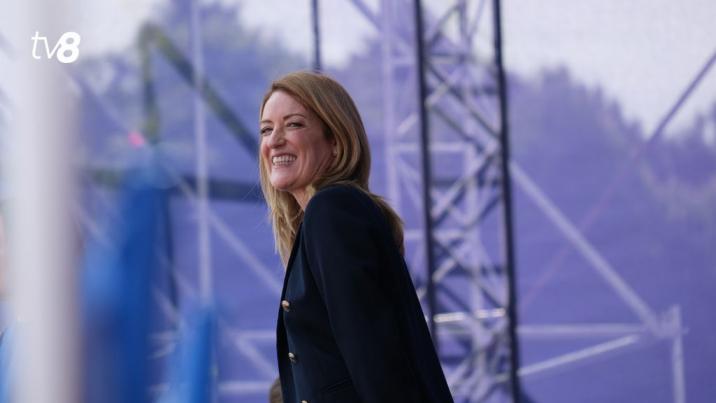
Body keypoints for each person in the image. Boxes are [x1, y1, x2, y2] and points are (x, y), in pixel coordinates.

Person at [258, 71, 454, 403]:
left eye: (293, 125)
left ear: (336, 142)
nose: (274, 140)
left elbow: (374, 359)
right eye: (266, 129)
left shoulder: (331, 211)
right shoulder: (330, 215)